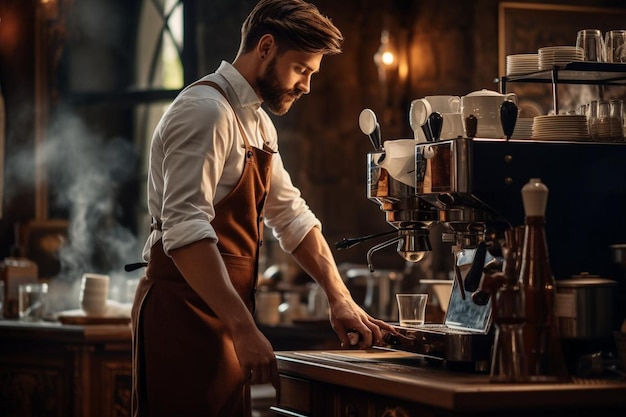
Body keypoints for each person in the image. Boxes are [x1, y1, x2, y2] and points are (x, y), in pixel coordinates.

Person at [130, 0, 397, 415]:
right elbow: (183, 232)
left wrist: (339, 297)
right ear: (267, 47)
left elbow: (291, 216)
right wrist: (244, 327)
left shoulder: (257, 123)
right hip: (181, 317)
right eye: (302, 69)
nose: (306, 86)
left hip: (224, 317)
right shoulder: (204, 112)